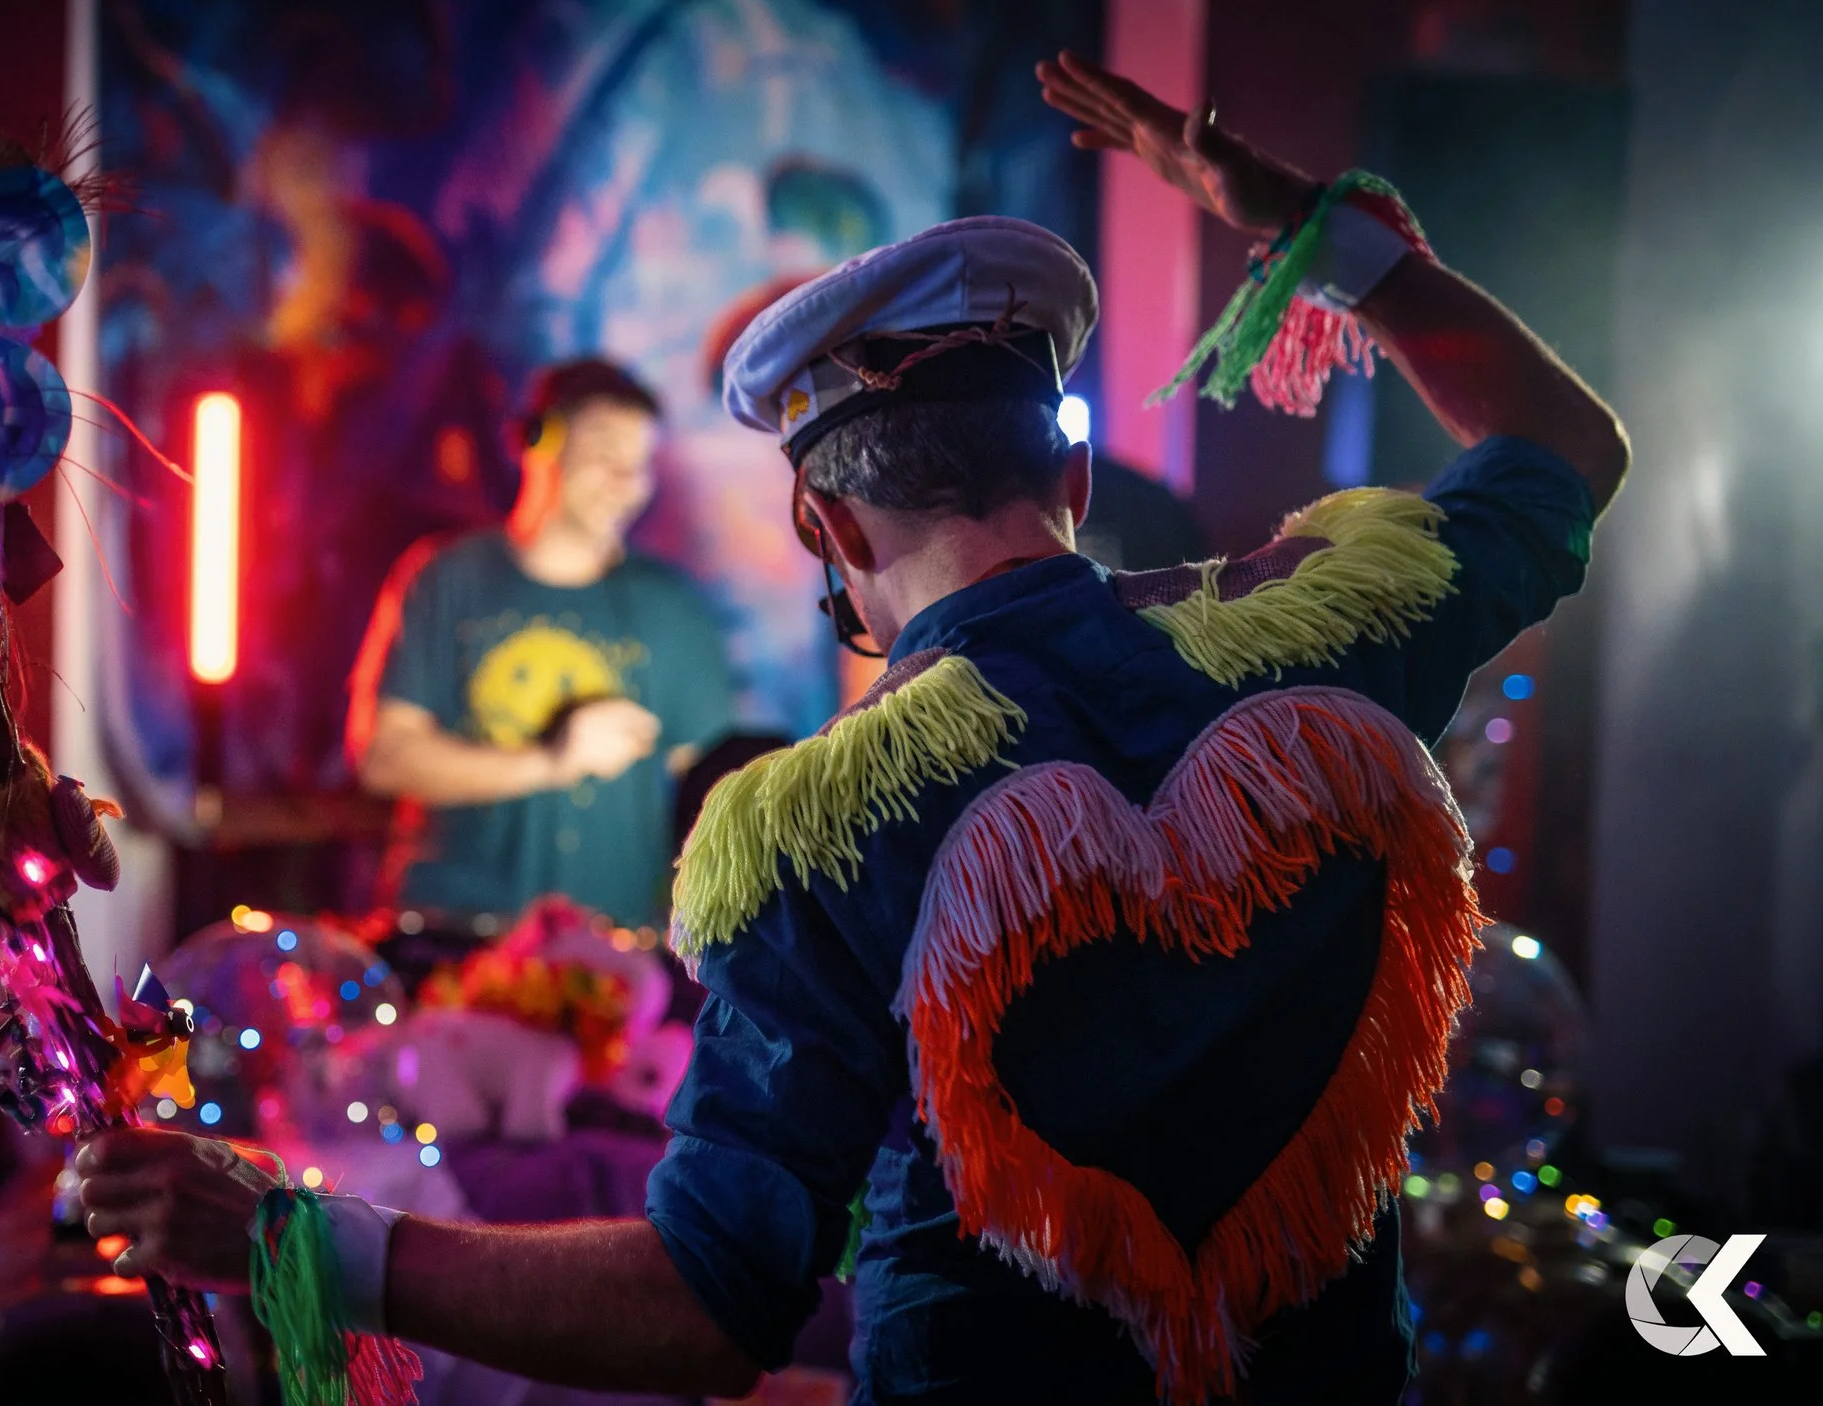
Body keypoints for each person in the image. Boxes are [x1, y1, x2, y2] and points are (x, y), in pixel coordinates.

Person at [78, 51, 1628, 1404]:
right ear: (1071, 482)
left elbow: (708, 1302)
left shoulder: (811, 823)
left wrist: (303, 1240)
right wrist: (1314, 235)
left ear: (824, 521)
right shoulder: (1331, 632)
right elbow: (1566, 440)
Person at [347, 358, 734, 934]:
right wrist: (553, 761)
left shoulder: (672, 607)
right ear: (537, 443)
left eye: (640, 462)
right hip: (453, 933)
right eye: (605, 452)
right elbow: (383, 756)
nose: (627, 482)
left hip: (611, 946)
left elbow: (712, 794)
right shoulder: (445, 577)